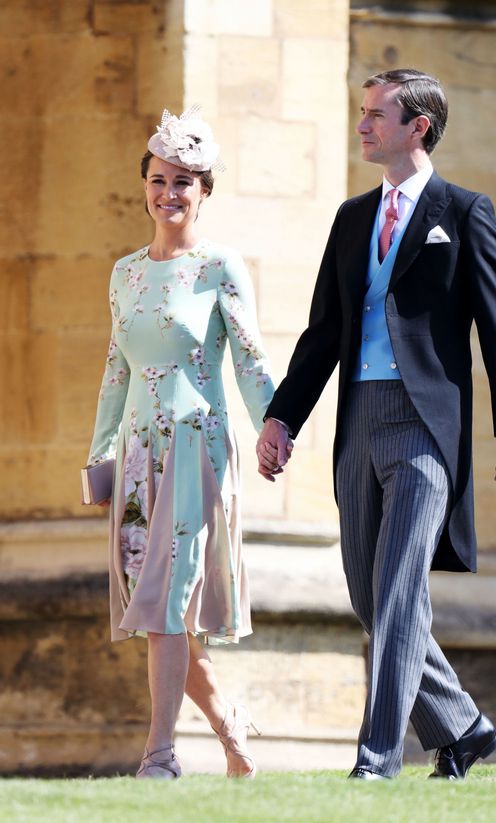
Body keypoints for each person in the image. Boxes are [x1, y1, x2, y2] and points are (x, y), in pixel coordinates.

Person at [257, 69, 496, 780]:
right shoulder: (352, 219)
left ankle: (377, 760)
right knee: (367, 591)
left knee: (402, 586)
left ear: (420, 127)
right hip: (359, 419)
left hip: (424, 427)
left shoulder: (464, 211)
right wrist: (282, 415)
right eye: (361, 113)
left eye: (377, 115)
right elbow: (323, 333)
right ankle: (463, 725)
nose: (362, 125)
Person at [86, 107, 282, 779]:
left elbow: (252, 360)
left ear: (205, 192)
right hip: (138, 460)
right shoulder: (123, 272)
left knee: (168, 599)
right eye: (161, 180)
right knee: (155, 608)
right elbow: (117, 369)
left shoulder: (219, 266)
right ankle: (230, 722)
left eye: (185, 183)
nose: (170, 194)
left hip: (197, 453)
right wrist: (98, 454)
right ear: (145, 183)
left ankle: (160, 755)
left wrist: (274, 427)